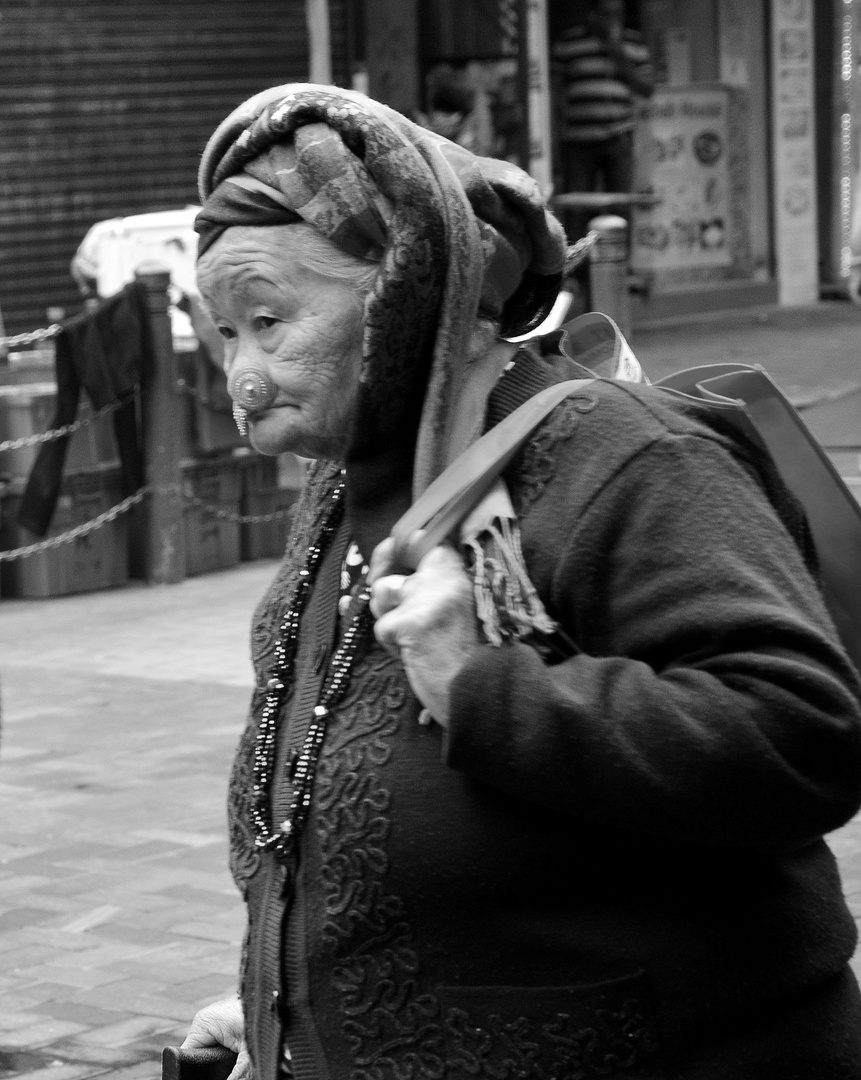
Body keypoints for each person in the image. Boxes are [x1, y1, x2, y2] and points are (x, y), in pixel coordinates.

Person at [181, 83, 861, 1079]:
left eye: (270, 320)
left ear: (413, 299)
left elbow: (802, 733)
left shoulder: (627, 456)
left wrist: (479, 689)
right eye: (225, 331)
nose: (239, 377)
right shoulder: (342, 490)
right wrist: (285, 1008)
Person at [552, 0, 654, 240]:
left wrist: (618, 54)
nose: (611, 20)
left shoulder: (633, 42)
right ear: (592, 14)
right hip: (578, 139)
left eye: (616, 15)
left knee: (619, 206)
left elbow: (647, 88)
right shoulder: (569, 42)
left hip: (618, 137)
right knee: (577, 209)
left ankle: (619, 270)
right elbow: (554, 94)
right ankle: (577, 271)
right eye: (605, 14)